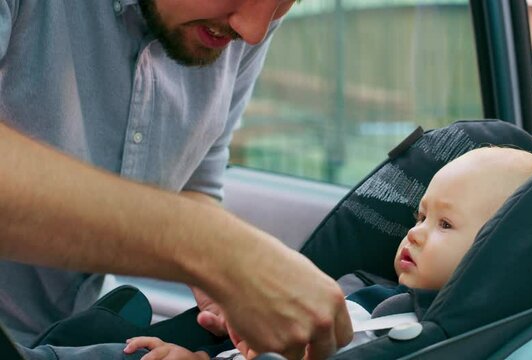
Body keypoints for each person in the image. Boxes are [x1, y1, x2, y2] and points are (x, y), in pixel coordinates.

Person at [0, 1, 352, 359]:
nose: (253, 31)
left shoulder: (238, 25)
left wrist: (227, 283)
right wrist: (218, 253)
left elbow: (195, 185)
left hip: (74, 332)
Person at [119, 147, 532, 359]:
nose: (415, 234)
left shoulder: (418, 337)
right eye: (419, 217)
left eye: (445, 225)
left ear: (497, 252)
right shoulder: (365, 293)